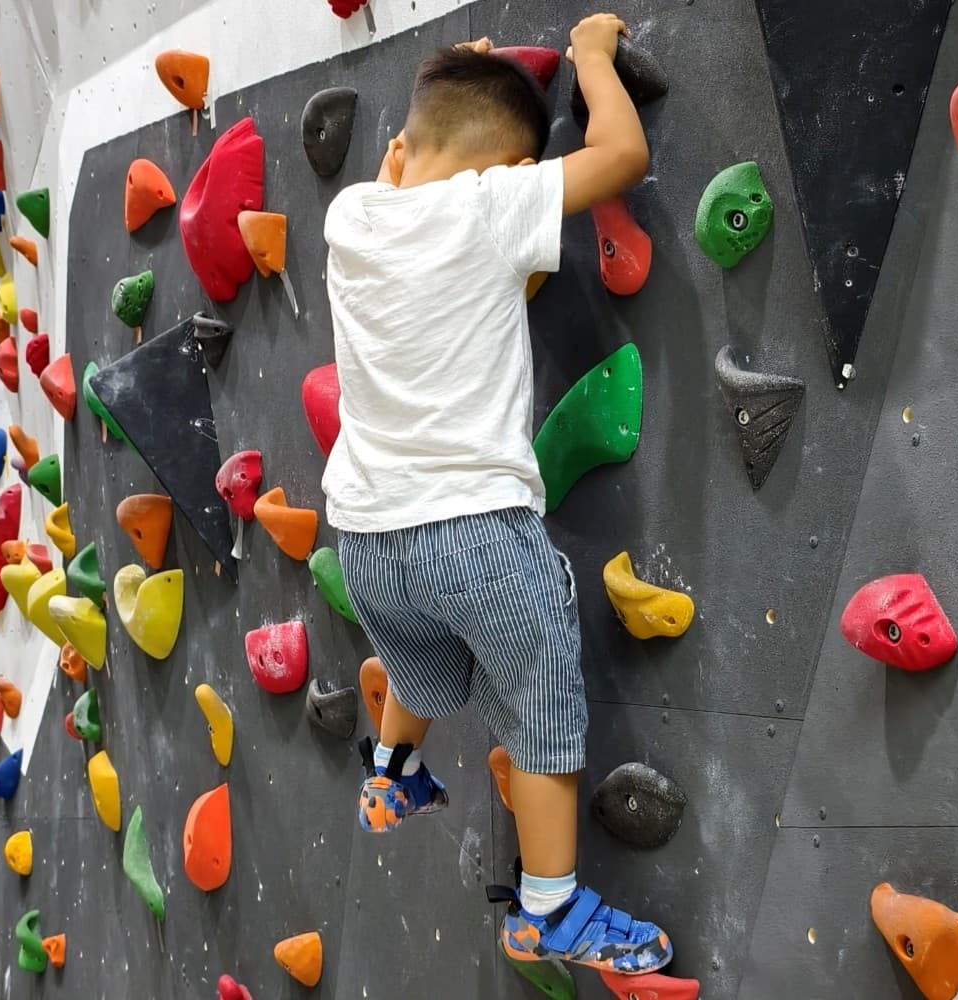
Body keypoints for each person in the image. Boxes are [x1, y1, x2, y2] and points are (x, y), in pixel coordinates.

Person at [319, 12, 671, 977]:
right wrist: (592, 55)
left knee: (422, 667)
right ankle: (552, 907)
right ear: (508, 176)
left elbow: (422, 145)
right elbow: (622, 153)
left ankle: (391, 776)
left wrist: (463, 82)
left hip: (367, 541)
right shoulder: (493, 208)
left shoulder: (351, 217)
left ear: (395, 153)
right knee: (546, 702)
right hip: (473, 530)